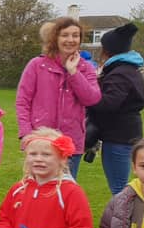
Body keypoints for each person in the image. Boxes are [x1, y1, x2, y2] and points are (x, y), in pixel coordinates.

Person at [16, 16, 101, 177]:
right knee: (37, 187)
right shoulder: (37, 65)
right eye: (65, 35)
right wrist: (27, 133)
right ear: (55, 37)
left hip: (71, 141)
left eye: (75, 35)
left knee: (66, 189)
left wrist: (73, 72)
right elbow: (23, 101)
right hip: (40, 139)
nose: (70, 40)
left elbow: (92, 99)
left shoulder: (86, 68)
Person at [87, 23, 144, 195]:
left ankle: (124, 220)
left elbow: (109, 104)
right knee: (120, 186)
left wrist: (88, 96)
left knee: (119, 189)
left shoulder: (120, 73)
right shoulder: (128, 70)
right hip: (125, 133)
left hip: (119, 136)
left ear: (108, 50)